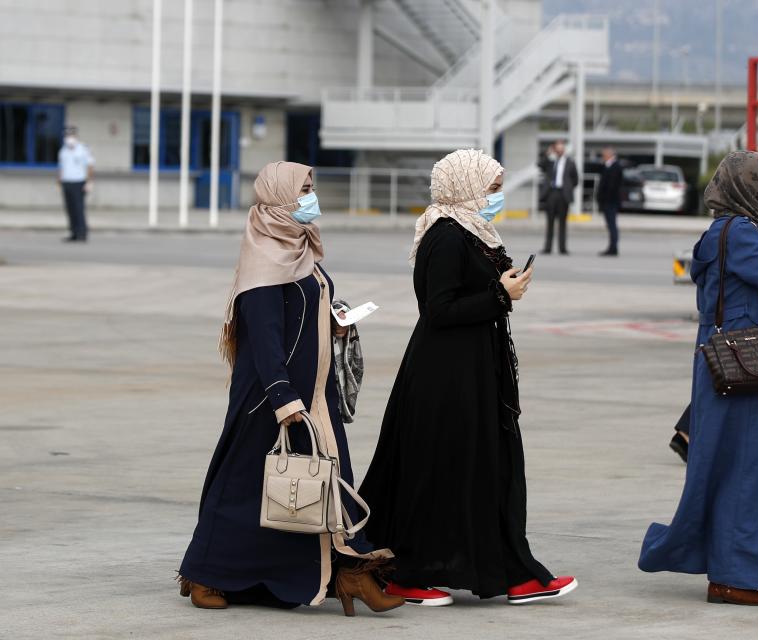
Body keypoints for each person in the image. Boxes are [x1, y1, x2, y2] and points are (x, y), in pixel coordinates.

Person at [177, 161, 404, 616]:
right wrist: (283, 399)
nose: (310, 199)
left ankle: (346, 573)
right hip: (270, 398)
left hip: (315, 395)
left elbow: (305, 312)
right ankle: (204, 571)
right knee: (244, 488)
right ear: (279, 198)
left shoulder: (301, 246)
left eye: (311, 189)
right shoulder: (264, 256)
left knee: (324, 482)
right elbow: (263, 337)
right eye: (303, 191)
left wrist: (335, 323)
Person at [360, 149, 577, 607]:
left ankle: (513, 572)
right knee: (439, 473)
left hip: (479, 369)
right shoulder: (445, 236)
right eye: (493, 188)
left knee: (491, 469)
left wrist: (505, 285)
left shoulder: (475, 231)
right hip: (446, 375)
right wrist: (501, 293)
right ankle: (407, 573)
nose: (497, 197)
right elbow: (438, 309)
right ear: (466, 187)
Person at [640, 150, 758, 606]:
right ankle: (731, 576)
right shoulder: (740, 232)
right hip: (744, 365)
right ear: (747, 186)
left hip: (739, 364)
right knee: (752, 469)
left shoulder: (727, 228)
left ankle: (735, 566)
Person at [539, 139, 579, 255]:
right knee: (550, 222)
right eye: (557, 148)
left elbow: (575, 179)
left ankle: (562, 248)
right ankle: (548, 247)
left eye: (561, 148)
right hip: (551, 193)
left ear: (564, 150)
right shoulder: (551, 162)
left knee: (562, 222)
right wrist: (547, 153)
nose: (559, 150)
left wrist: (568, 188)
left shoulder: (570, 162)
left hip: (563, 194)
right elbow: (540, 165)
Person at [58, 126, 94, 243]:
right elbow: (61, 167)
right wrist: (59, 180)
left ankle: (82, 233)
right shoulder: (63, 150)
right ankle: (73, 232)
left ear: (75, 136)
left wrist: (89, 181)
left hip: (79, 183)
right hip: (66, 182)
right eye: (67, 136)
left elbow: (89, 166)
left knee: (79, 209)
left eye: (71, 136)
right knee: (70, 209)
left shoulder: (83, 149)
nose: (69, 138)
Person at [595, 146, 624, 256]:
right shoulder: (607, 166)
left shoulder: (616, 167)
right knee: (610, 225)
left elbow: (612, 186)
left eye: (604, 155)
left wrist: (604, 199)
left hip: (611, 201)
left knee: (612, 225)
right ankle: (612, 247)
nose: (603, 157)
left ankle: (613, 248)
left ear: (609, 155)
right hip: (607, 201)